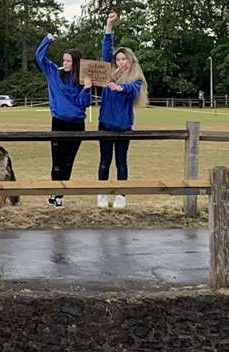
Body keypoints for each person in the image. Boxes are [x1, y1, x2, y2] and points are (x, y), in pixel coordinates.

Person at [88, 12, 147, 209]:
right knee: (104, 161)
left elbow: (133, 91)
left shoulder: (135, 79)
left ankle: (121, 195)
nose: (121, 62)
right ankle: (102, 194)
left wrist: (120, 88)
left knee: (121, 162)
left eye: (124, 59)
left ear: (130, 61)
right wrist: (108, 25)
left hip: (123, 127)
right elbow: (106, 49)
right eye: (118, 59)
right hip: (105, 124)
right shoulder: (108, 73)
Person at [35, 33, 93, 208]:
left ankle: (60, 194)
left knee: (68, 161)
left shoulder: (81, 81)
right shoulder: (53, 72)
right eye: (64, 60)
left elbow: (84, 104)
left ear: (76, 63)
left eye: (68, 61)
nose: (65, 64)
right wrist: (48, 40)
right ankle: (55, 191)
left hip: (76, 125)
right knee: (57, 161)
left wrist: (87, 89)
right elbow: (39, 57)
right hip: (58, 122)